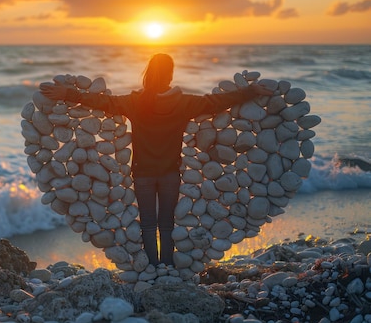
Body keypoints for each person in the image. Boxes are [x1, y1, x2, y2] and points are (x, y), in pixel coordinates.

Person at [40, 53, 272, 266]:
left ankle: (152, 267)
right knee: (168, 224)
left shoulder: (136, 102)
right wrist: (250, 92)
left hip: (143, 173)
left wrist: (68, 94)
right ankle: (168, 265)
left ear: (148, 72)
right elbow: (217, 102)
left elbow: (101, 102)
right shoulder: (184, 103)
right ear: (170, 75)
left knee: (148, 225)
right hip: (171, 172)